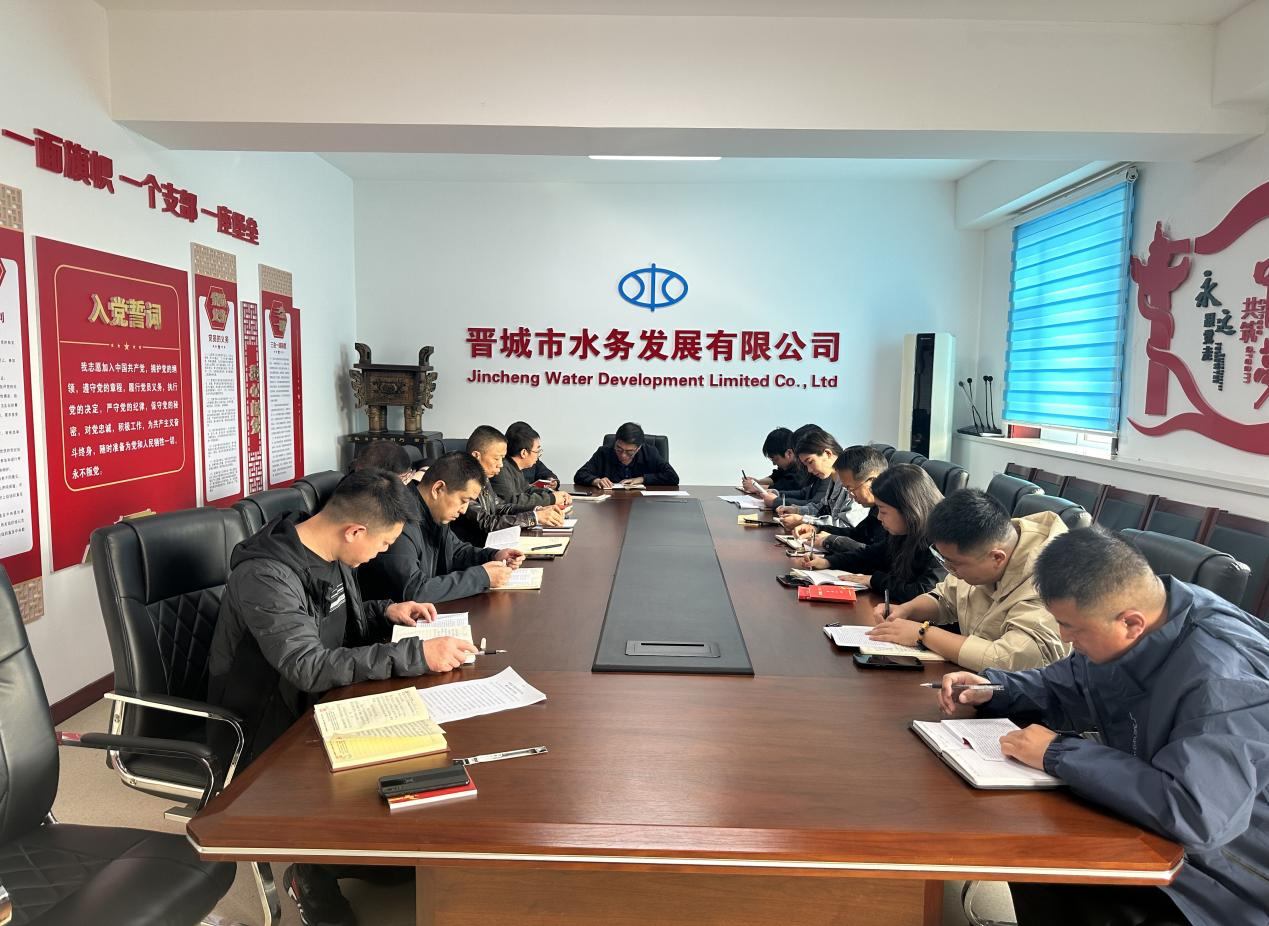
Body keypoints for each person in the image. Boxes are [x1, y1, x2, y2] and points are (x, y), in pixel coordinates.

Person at [938, 528, 1269, 926]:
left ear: (1131, 623)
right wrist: (995, 689)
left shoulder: (1225, 680)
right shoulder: (1144, 621)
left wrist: (1057, 753)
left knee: (1039, 852)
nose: (1064, 638)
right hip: (1156, 819)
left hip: (1230, 871)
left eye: (1072, 628)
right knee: (1028, 844)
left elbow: (1199, 814)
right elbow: (1069, 683)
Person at [207, 469, 478, 926]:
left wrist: (385, 610)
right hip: (263, 722)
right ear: (354, 531)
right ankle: (311, 875)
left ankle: (358, 849)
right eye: (382, 544)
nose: (382, 553)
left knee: (426, 733)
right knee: (401, 738)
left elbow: (336, 623)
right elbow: (307, 664)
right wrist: (415, 654)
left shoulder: (328, 551)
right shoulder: (266, 575)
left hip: (312, 698)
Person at [867, 488, 1068, 670]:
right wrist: (908, 609)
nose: (950, 570)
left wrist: (923, 633)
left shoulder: (1051, 583)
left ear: (997, 558)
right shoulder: (982, 548)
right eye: (944, 560)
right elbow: (946, 598)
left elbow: (1007, 659)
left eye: (955, 564)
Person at [357, 449, 525, 602]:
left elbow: (456, 551)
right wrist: (482, 577)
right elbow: (414, 590)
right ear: (438, 489)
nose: (464, 509)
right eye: (463, 500)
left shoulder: (433, 511)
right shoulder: (398, 521)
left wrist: (493, 556)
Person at [792, 463, 944, 603]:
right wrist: (828, 562)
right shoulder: (903, 532)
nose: (879, 517)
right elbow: (871, 554)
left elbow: (924, 592)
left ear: (908, 509)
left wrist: (873, 580)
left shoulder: (941, 541)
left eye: (883, 511)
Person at [453, 425, 566, 546]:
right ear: (476, 456)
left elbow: (500, 507)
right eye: (497, 458)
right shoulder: (460, 483)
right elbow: (487, 523)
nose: (501, 465)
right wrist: (534, 517)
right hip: (477, 549)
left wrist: (536, 510)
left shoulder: (482, 477)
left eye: (502, 459)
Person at [791, 444, 889, 554]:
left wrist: (832, 541)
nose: (850, 495)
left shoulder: (894, 511)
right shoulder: (875, 509)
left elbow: (878, 556)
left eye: (851, 488)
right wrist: (817, 529)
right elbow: (856, 534)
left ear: (872, 481)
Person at [774, 430, 853, 530]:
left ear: (827, 453)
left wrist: (803, 520)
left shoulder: (852, 482)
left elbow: (846, 525)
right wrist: (796, 510)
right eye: (806, 465)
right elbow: (821, 508)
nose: (809, 470)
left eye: (810, 462)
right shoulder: (833, 479)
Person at [574, 421, 679, 488]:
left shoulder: (649, 452)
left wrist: (642, 479)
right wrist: (596, 481)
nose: (623, 455)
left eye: (629, 452)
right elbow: (580, 475)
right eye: (619, 449)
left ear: (638, 448)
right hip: (610, 505)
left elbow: (673, 477)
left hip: (642, 505)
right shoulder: (604, 452)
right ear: (615, 442)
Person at [492, 422, 570, 509]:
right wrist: (551, 499)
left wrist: (551, 494)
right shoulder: (501, 469)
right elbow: (512, 501)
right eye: (537, 451)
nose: (538, 455)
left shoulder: (514, 467)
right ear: (524, 453)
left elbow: (527, 490)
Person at [757, 423, 825, 509]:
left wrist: (776, 501)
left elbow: (815, 505)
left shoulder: (825, 475)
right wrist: (775, 492)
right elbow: (804, 493)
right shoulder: (815, 471)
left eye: (809, 461)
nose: (809, 469)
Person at [740, 427, 801, 495]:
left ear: (789, 453)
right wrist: (758, 482)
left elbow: (785, 487)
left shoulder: (802, 469)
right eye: (772, 459)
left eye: (776, 459)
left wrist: (757, 488)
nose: (774, 463)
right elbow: (775, 477)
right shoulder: (786, 466)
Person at [507, 420, 560, 489]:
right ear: (524, 453)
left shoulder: (534, 460)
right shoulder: (503, 467)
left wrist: (552, 481)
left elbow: (546, 472)